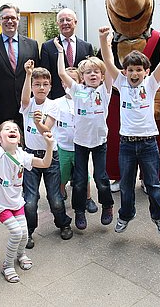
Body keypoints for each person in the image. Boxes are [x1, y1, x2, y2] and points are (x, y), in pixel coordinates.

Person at [99, 26, 160, 237]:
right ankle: (125, 214)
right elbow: (108, 61)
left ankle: (159, 217)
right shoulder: (120, 83)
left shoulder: (150, 84)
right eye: (130, 69)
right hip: (127, 145)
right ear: (125, 72)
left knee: (153, 185)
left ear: (146, 72)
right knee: (126, 187)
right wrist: (103, 39)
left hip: (149, 143)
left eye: (139, 69)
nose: (134, 73)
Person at [0, 100, 54, 283]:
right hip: (1, 205)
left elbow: (45, 163)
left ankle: (20, 255)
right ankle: (7, 265)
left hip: (16, 203)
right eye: (7, 129)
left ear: (19, 138)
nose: (12, 130)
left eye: (14, 129)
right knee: (16, 232)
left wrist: (49, 145)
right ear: (0, 139)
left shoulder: (23, 155)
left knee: (23, 232)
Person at [54, 38, 113, 231]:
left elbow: (110, 66)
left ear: (102, 76)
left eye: (96, 72)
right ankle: (79, 211)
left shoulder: (105, 91)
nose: (93, 74)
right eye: (88, 72)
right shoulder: (78, 91)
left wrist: (107, 45)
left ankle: (107, 206)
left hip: (99, 142)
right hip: (80, 143)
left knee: (101, 178)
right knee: (79, 180)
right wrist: (61, 52)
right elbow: (62, 73)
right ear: (82, 77)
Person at [20, 60, 73, 248]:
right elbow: (25, 100)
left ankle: (63, 223)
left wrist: (37, 123)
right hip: (30, 156)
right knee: (30, 201)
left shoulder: (53, 106)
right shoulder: (27, 104)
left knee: (56, 199)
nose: (41, 87)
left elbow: (47, 131)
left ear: (50, 87)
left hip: (51, 155)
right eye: (37, 84)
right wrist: (28, 74)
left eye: (45, 84)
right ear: (32, 86)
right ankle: (28, 231)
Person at [0, 3, 39, 133]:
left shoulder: (32, 45)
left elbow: (37, 76)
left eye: (13, 18)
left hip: (27, 107)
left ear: (18, 19)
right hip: (0, 108)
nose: (9, 21)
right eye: (5, 18)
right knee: (1, 149)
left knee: (27, 149)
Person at [53, 67, 98, 213]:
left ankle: (88, 198)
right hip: (63, 146)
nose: (69, 83)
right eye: (66, 80)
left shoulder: (84, 99)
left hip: (80, 146)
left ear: (80, 82)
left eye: (73, 80)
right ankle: (61, 192)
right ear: (62, 83)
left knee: (84, 173)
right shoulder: (57, 103)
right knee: (62, 172)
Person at [40, 8, 94, 100]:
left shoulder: (86, 46)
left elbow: (90, 72)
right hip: (57, 97)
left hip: (81, 97)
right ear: (58, 24)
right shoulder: (48, 47)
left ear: (75, 22)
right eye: (61, 20)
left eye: (68, 20)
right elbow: (45, 75)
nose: (65, 23)